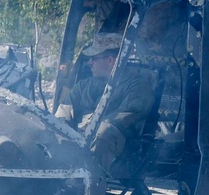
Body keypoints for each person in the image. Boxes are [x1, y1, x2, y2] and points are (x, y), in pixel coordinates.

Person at [55, 33, 156, 173]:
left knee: (102, 132)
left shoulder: (138, 87)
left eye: (94, 58)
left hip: (120, 143)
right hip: (85, 132)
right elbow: (65, 108)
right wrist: (62, 126)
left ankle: (92, 181)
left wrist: (90, 128)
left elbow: (125, 118)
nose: (89, 62)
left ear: (110, 60)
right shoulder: (84, 85)